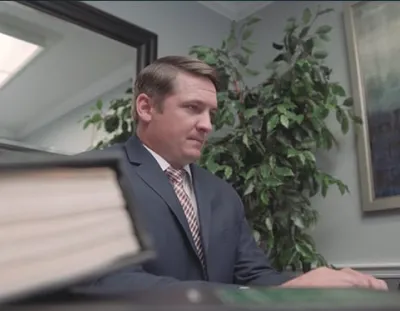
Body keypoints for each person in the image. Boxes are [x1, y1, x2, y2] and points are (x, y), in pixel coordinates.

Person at [81, 55, 387, 295]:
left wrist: (303, 286)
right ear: (146, 108)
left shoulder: (222, 193)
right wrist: (236, 294)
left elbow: (254, 275)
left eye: (211, 113)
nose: (207, 126)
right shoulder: (95, 175)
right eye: (193, 108)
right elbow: (108, 282)